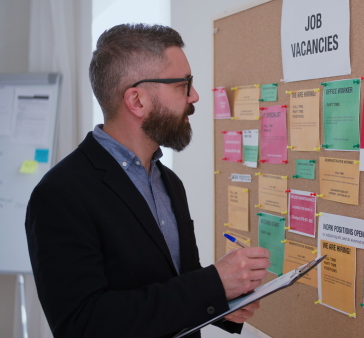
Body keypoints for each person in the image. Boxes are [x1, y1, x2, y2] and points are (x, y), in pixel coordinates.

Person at [25, 23, 270, 338]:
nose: (194, 95)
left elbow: (179, 282)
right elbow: (84, 324)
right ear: (137, 101)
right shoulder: (60, 195)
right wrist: (213, 283)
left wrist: (223, 302)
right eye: (183, 84)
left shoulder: (169, 182)